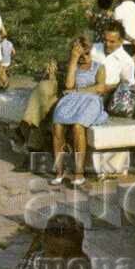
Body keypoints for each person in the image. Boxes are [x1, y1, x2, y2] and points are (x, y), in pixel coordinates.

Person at [51, 34, 110, 187]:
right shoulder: (74, 66)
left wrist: (80, 90)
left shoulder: (98, 67)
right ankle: (59, 170)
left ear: (91, 51)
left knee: (78, 126)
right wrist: (73, 60)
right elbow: (69, 85)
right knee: (57, 125)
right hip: (71, 100)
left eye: (86, 53)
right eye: (80, 54)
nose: (84, 57)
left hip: (91, 101)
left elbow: (100, 87)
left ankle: (79, 173)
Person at [2, 214, 94, 269]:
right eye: (53, 253)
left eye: (67, 255)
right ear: (45, 245)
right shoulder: (31, 267)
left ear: (78, 254)